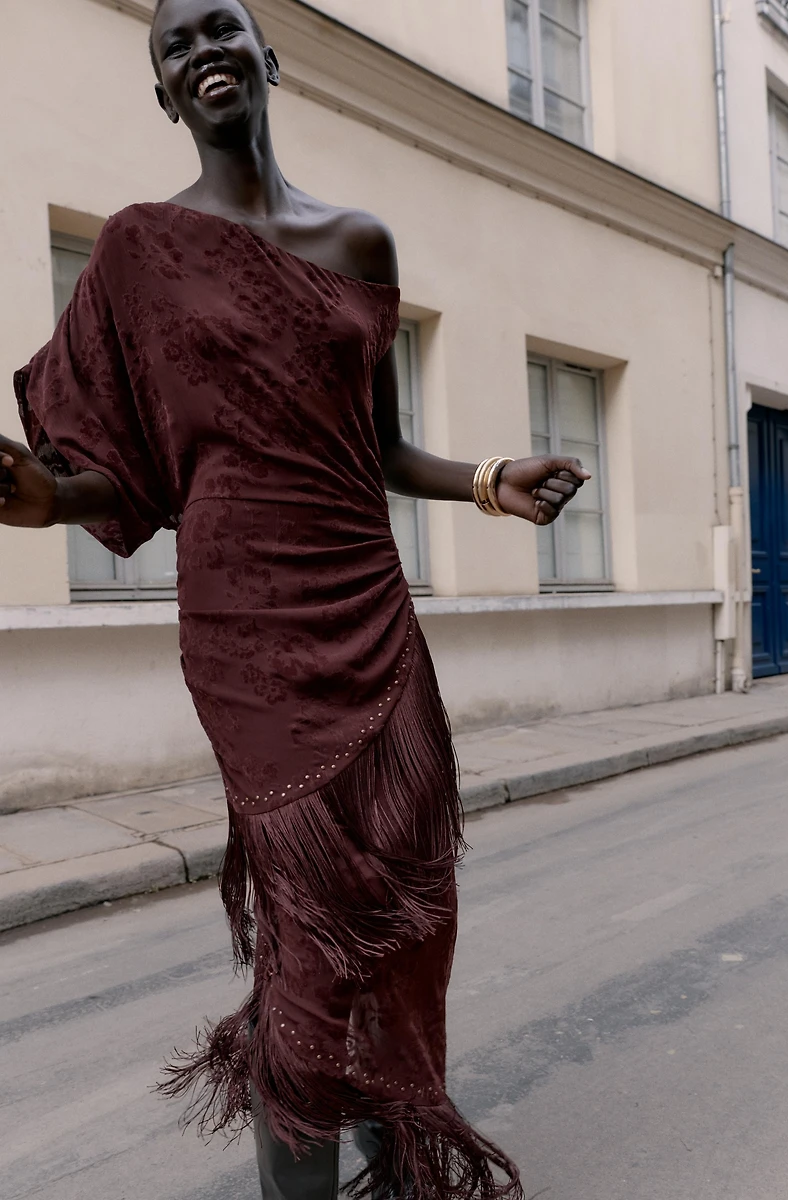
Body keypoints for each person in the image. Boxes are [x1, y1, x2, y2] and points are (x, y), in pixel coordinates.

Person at [1, 0, 590, 1195]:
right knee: (314, 941)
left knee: (411, 914)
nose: (201, 49)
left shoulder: (356, 244)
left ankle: (396, 1122)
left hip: (373, 610)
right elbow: (130, 469)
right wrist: (49, 501)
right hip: (245, 632)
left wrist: (488, 480)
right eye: (174, 47)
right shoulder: (134, 250)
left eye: (221, 27)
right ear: (165, 95)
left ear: (266, 58)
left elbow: (376, 446)